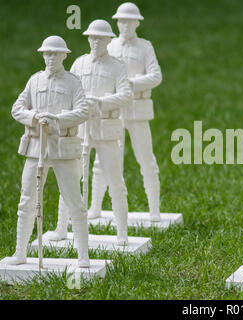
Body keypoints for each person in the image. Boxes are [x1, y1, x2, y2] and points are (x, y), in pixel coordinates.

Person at [5, 36, 90, 267]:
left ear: (64, 55)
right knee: (27, 201)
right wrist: (33, 117)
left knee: (75, 202)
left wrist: (58, 119)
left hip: (63, 148)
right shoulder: (34, 81)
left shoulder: (73, 82)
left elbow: (83, 111)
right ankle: (20, 253)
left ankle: (83, 256)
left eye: (55, 53)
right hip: (36, 148)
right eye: (47, 53)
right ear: (42, 55)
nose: (51, 57)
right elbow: (17, 108)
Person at [47, 20, 132, 246]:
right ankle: (61, 227)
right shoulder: (79, 63)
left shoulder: (117, 66)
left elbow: (126, 95)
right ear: (87, 39)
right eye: (92, 38)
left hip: (105, 128)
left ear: (108, 40)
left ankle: (121, 232)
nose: (96, 41)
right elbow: (67, 92)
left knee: (115, 180)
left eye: (101, 38)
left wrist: (101, 102)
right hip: (80, 129)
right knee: (69, 178)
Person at [88, 2, 162, 222]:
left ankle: (154, 209)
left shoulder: (145, 47)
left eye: (129, 21)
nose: (125, 25)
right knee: (103, 160)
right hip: (114, 110)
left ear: (137, 23)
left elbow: (156, 76)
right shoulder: (110, 47)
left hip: (137, 109)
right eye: (121, 21)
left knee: (146, 159)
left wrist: (129, 84)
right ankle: (95, 207)